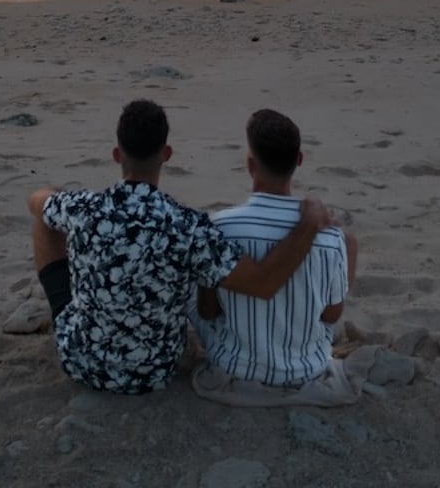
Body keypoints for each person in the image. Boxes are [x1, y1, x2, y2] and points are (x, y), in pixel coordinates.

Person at [27, 98, 334, 395]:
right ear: (167, 154)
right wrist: (306, 225)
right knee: (186, 268)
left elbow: (35, 200)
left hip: (82, 362)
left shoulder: (84, 207)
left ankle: (80, 311)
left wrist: (55, 199)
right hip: (156, 370)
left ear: (117, 154)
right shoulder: (187, 225)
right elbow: (264, 282)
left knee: (46, 217)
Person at [190, 108, 360, 406]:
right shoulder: (331, 237)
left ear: (250, 164)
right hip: (305, 368)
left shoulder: (219, 226)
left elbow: (208, 311)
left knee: (190, 288)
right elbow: (331, 316)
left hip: (235, 365)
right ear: (299, 161)